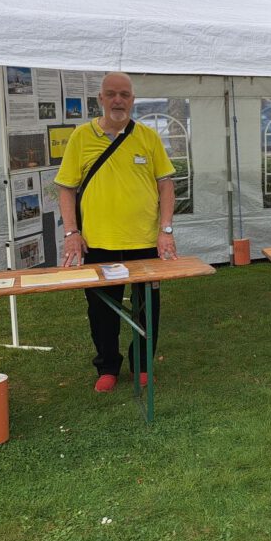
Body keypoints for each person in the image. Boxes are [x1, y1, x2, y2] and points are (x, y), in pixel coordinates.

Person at [55, 72, 177, 393]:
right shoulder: (81, 137)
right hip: (98, 244)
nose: (118, 100)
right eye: (111, 94)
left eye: (124, 94)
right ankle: (107, 366)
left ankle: (142, 365)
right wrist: (71, 233)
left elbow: (166, 186)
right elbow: (66, 188)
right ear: (100, 99)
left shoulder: (148, 138)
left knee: (147, 308)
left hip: (145, 243)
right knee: (100, 312)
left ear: (133, 100)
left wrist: (166, 230)